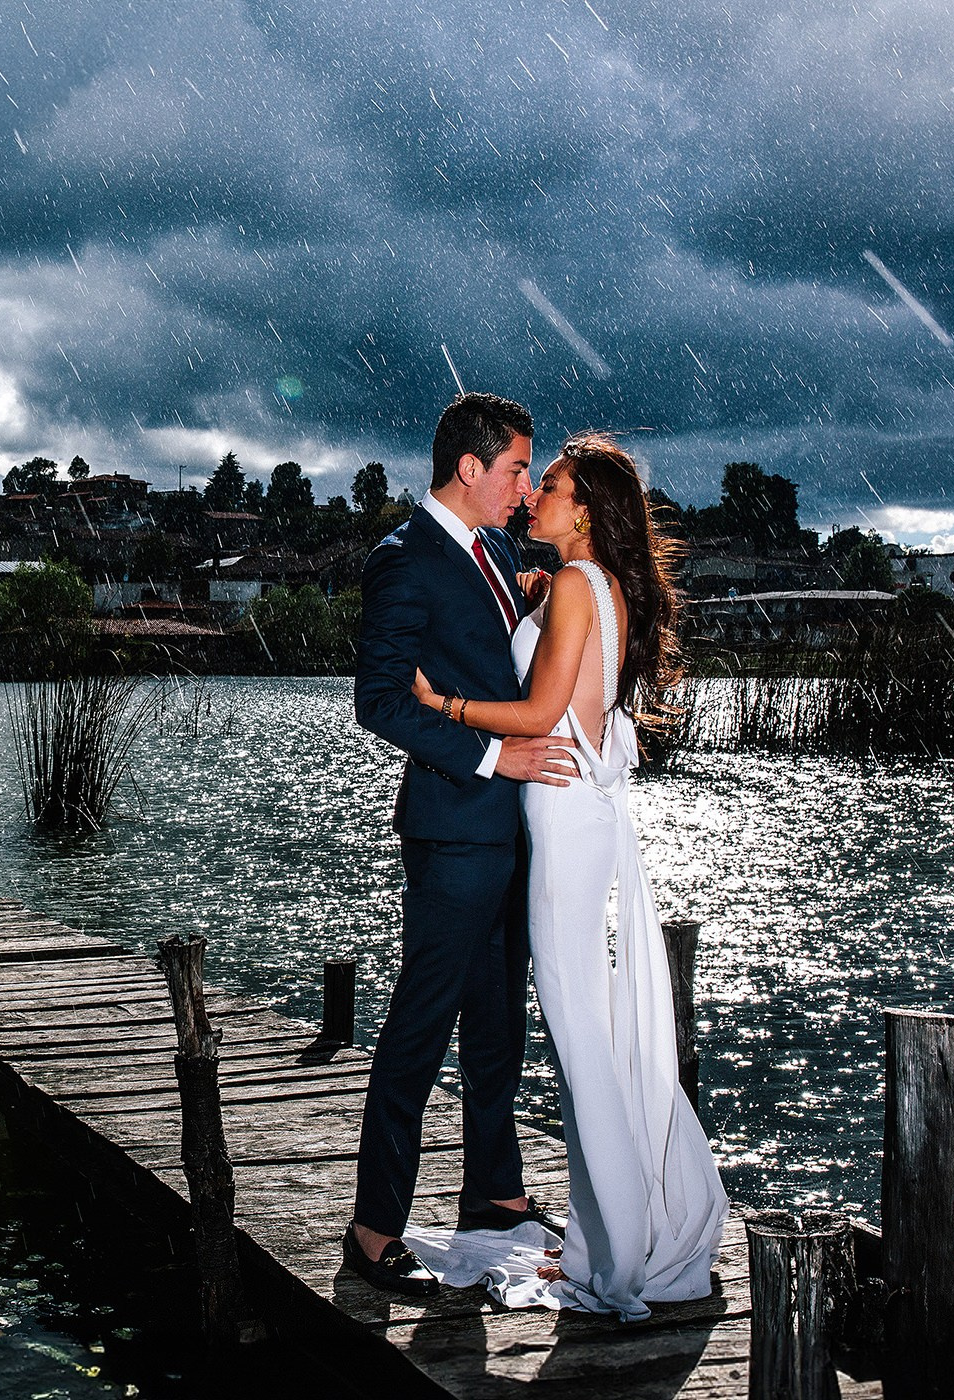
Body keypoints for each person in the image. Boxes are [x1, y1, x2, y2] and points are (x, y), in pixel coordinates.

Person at [413, 432, 728, 1320]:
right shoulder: (589, 587)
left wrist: (443, 704)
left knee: (582, 1037)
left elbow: (545, 711)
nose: (534, 498)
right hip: (576, 820)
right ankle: (611, 1233)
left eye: (548, 485)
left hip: (562, 823)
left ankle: (619, 1254)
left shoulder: (582, 589)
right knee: (589, 1030)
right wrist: (534, 597)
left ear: (584, 509)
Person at [343, 393, 579, 1297]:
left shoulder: (503, 551)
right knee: (420, 1024)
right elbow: (379, 700)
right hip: (452, 826)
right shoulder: (403, 561)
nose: (526, 487)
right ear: (471, 468)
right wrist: (491, 751)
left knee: (496, 1024)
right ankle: (372, 1231)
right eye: (518, 469)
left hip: (512, 831)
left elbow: (502, 645)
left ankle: (494, 1194)